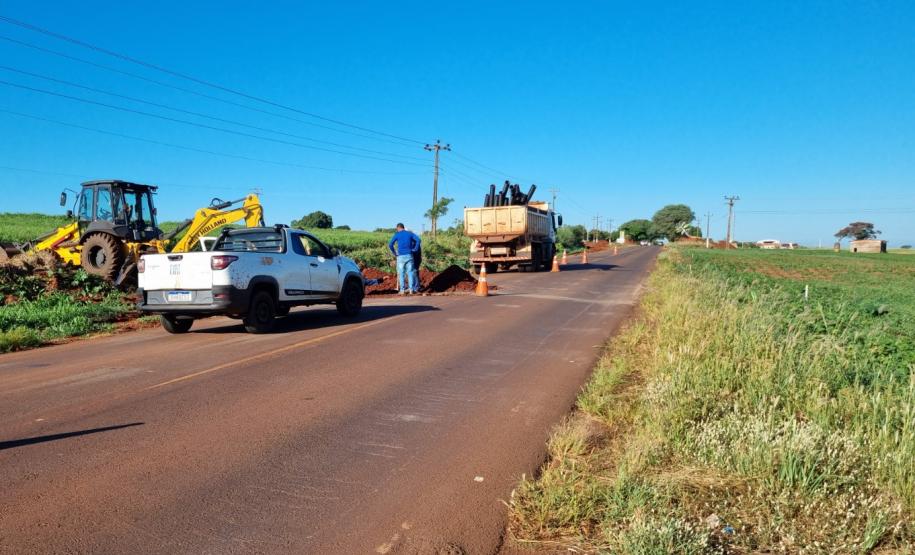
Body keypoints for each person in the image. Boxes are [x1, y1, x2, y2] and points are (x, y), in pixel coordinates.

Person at [388, 223, 418, 295]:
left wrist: (394, 252)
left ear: (398, 228)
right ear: (403, 227)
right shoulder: (409, 233)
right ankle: (411, 289)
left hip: (400, 256)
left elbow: (390, 244)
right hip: (409, 255)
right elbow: (418, 240)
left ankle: (402, 290)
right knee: (410, 273)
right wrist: (415, 249)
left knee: (401, 273)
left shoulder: (397, 234)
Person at [408, 229, 422, 293]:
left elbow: (414, 250)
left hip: (415, 258)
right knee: (413, 272)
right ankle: (414, 287)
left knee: (414, 271)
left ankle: (416, 287)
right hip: (416, 258)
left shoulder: (414, 241)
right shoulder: (414, 240)